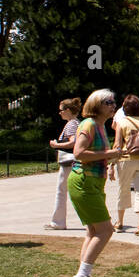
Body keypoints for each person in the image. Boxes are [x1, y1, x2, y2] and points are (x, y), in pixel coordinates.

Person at [66, 89, 125, 277]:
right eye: (108, 101)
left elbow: (96, 155)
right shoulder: (89, 124)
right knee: (106, 230)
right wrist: (110, 153)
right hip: (84, 182)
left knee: (92, 231)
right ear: (96, 105)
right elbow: (79, 153)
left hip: (92, 183)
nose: (113, 105)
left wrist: (115, 156)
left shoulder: (100, 125)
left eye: (113, 101)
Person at [112, 94, 139, 236]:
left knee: (123, 189)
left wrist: (111, 164)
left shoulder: (122, 123)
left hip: (126, 158)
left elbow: (118, 144)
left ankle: (119, 222)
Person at [44, 97, 82, 230]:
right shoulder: (77, 123)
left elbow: (73, 142)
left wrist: (56, 145)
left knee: (62, 191)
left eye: (61, 110)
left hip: (68, 162)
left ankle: (58, 222)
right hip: (74, 162)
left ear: (67, 110)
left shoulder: (71, 124)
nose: (59, 113)